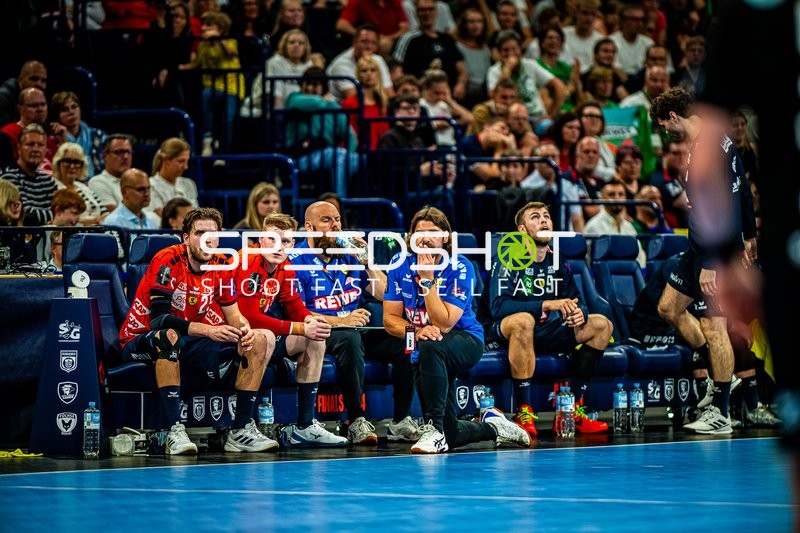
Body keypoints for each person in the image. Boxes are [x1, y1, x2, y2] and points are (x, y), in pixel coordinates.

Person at [120, 207, 277, 454]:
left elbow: (233, 314)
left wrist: (244, 330)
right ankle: (174, 431)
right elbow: (160, 320)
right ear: (185, 237)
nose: (207, 239)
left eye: (211, 234)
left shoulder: (223, 263)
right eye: (199, 233)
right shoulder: (167, 260)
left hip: (191, 341)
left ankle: (240, 430)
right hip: (140, 338)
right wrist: (209, 331)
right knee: (169, 337)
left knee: (259, 339)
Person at [650, 86, 757, 434]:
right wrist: (751, 235)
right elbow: (741, 188)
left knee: (714, 326)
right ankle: (718, 372)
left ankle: (721, 412)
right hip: (698, 249)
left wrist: (715, 259)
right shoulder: (720, 141)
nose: (665, 132)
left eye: (665, 125)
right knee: (668, 307)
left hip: (712, 252)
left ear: (674, 116)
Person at [383, 205, 531, 453]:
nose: (426, 238)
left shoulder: (460, 266)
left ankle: (433, 430)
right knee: (452, 433)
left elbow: (444, 323)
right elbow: (390, 319)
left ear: (445, 238)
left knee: (431, 345)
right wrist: (416, 331)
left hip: (465, 340)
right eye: (420, 233)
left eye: (432, 232)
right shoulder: (399, 265)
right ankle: (494, 427)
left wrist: (427, 278)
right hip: (425, 343)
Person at [480, 201, 612, 435]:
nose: (543, 220)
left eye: (546, 216)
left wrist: (578, 312)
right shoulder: (508, 258)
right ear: (522, 230)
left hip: (543, 331)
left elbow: (575, 298)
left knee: (601, 324)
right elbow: (497, 307)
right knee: (523, 320)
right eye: (535, 217)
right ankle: (523, 411)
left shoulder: (557, 260)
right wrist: (547, 304)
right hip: (501, 332)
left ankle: (572, 410)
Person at [287, 201, 410, 445]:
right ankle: (355, 421)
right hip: (319, 331)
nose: (335, 226)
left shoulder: (348, 256)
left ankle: (401, 421)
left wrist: (367, 261)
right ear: (309, 227)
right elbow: (296, 313)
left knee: (405, 338)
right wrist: (341, 320)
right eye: (326, 220)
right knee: (349, 337)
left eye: (338, 220)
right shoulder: (295, 260)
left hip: (353, 327)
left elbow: (385, 293)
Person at [234, 212, 348, 446]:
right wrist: (298, 327)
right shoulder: (246, 261)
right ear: (261, 239)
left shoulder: (285, 266)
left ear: (292, 244)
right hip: (228, 335)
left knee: (315, 337)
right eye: (273, 240)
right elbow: (249, 317)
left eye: (285, 242)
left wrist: (310, 322)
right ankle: (240, 429)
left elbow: (294, 304)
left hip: (260, 337)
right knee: (263, 336)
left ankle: (305, 426)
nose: (279, 247)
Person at [187, 11, 245, 155]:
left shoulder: (230, 41)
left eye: (209, 25)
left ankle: (224, 152)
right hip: (210, 86)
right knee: (205, 97)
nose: (203, 29)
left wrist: (219, 40)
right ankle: (208, 140)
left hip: (231, 87)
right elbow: (196, 64)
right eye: (203, 25)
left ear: (221, 28)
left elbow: (231, 52)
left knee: (228, 119)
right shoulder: (202, 45)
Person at [487, 30, 567, 123]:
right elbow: (493, 96)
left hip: (537, 117)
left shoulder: (530, 65)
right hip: (511, 119)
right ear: (500, 53)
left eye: (514, 49)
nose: (510, 53)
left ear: (520, 50)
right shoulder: (494, 71)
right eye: (506, 50)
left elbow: (560, 87)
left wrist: (551, 115)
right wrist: (507, 69)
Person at [392, 0, 467, 99]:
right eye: (422, 10)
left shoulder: (447, 39)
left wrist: (461, 84)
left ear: (436, 12)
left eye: (430, 9)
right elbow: (397, 74)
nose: (427, 13)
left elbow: (462, 71)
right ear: (416, 13)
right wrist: (416, 86)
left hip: (450, 96)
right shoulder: (408, 39)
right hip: (421, 97)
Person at [519, 140, 584, 231]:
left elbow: (576, 219)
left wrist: (578, 243)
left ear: (559, 160)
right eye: (545, 157)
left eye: (553, 157)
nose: (550, 161)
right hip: (536, 239)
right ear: (536, 161)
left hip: (565, 238)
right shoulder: (525, 187)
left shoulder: (568, 186)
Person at [0, 124, 57, 226]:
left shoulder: (48, 181)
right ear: (19, 147)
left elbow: (61, 209)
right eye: (30, 144)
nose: (35, 149)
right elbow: (23, 213)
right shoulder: (9, 177)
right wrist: (57, 217)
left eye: (40, 145)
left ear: (45, 150)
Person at [583, 178, 647, 267]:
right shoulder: (593, 226)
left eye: (621, 194)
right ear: (602, 198)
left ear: (625, 198)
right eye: (611, 194)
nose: (617, 198)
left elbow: (640, 258)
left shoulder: (629, 227)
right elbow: (590, 262)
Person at [326, 25, 395, 102]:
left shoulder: (377, 60)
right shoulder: (341, 65)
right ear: (354, 43)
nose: (369, 47)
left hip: (374, 106)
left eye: (373, 43)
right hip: (343, 110)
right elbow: (353, 98)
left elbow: (389, 93)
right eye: (364, 42)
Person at [50, 91, 107, 177]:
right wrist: (63, 143)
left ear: (80, 109)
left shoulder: (98, 136)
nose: (71, 112)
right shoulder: (53, 141)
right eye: (65, 110)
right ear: (58, 116)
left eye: (74, 107)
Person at [340, 55, 390, 150]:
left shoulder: (383, 103)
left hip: (380, 156)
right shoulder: (350, 103)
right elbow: (347, 135)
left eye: (373, 70)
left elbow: (385, 134)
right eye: (364, 71)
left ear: (378, 74)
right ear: (358, 75)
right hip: (358, 155)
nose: (369, 74)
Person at [52, 142, 107, 226]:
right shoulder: (52, 186)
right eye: (67, 161)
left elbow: (104, 213)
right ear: (58, 163)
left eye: (76, 162)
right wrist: (95, 222)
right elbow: (63, 219)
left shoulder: (84, 187)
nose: (72, 166)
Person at [419, 70, 472, 147]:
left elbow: (470, 119)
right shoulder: (420, 105)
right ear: (426, 89)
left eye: (443, 93)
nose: (440, 96)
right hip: (433, 147)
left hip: (451, 146)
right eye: (437, 93)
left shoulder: (446, 104)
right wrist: (436, 126)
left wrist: (450, 102)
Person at [149, 137, 198, 217]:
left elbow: (195, 217)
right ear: (166, 160)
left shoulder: (189, 184)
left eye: (187, 161)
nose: (186, 167)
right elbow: (158, 219)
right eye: (181, 161)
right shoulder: (150, 186)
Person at [88, 134, 134, 212]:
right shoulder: (98, 182)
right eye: (119, 152)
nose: (125, 157)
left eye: (128, 152)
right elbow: (117, 215)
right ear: (105, 156)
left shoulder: (138, 182)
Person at [0, 61, 48, 127]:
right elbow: (4, 133)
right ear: (20, 80)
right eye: (34, 79)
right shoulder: (3, 98)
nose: (39, 84)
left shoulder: (41, 98)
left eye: (43, 81)